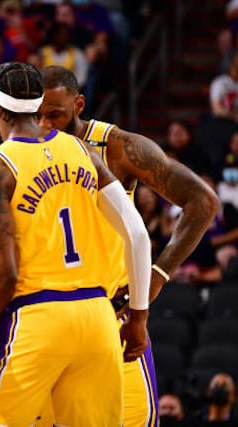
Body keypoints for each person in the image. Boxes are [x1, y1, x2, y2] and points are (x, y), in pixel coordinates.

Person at [0, 61, 151, 426]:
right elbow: (137, 234)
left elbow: (6, 273)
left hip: (36, 317)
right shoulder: (83, 150)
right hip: (97, 318)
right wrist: (138, 315)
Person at [39, 65, 220, 426]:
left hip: (111, 315)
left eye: (54, 114)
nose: (44, 125)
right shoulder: (23, 152)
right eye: (36, 116)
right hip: (49, 316)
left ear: (78, 105)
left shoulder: (118, 147)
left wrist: (156, 277)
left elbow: (203, 201)